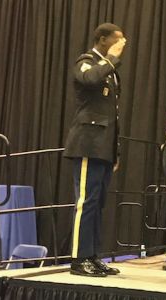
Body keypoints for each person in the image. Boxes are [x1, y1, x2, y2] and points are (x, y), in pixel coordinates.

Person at [63, 23, 126, 277]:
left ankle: (92, 255)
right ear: (102, 40)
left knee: (98, 203)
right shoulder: (87, 61)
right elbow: (88, 79)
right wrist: (112, 58)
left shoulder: (110, 71)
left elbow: (113, 115)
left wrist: (115, 151)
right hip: (88, 143)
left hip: (103, 147)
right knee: (85, 202)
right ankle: (79, 259)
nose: (123, 43)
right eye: (117, 39)